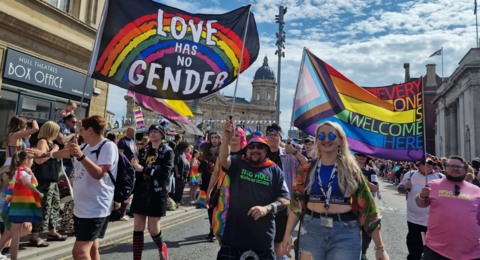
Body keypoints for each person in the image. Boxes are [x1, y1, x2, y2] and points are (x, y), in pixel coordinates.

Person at [282, 121, 389, 260]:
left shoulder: (352, 170)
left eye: (331, 136)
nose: (326, 139)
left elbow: (368, 208)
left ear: (340, 140)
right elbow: (296, 204)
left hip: (346, 233)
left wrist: (380, 247)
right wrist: (287, 233)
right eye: (321, 136)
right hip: (311, 231)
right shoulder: (307, 168)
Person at [216, 119, 290, 260]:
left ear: (266, 150)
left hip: (263, 240)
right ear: (246, 150)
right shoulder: (238, 164)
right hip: (234, 238)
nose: (255, 150)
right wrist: (227, 138)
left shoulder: (274, 170)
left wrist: (267, 209)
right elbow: (224, 159)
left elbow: (285, 200)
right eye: (252, 147)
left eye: (260, 147)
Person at [416, 155, 480, 260]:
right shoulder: (433, 184)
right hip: (437, 249)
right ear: (445, 168)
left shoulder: (476, 190)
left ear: (465, 169)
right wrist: (421, 196)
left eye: (459, 167)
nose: (455, 169)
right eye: (451, 166)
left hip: (471, 251)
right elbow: (420, 204)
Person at [264, 123, 307, 259]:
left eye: (276, 135)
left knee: (279, 241)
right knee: (264, 240)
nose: (273, 137)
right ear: (266, 137)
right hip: (263, 202)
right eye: (270, 135)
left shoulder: (287, 156)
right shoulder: (260, 154)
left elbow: (306, 164)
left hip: (283, 203)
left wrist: (295, 151)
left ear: (280, 138)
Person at [130, 124, 174, 260]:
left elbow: (165, 174)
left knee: (153, 229)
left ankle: (161, 247)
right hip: (141, 191)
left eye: (156, 131)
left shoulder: (167, 151)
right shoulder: (143, 150)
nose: (153, 133)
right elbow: (137, 170)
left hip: (157, 192)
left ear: (162, 135)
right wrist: (134, 164)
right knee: (138, 226)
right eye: (151, 131)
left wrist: (142, 169)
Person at [205, 125, 247, 244]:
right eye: (232, 134)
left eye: (237, 135)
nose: (233, 137)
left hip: (241, 195)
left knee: (240, 228)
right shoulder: (221, 156)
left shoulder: (246, 156)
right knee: (219, 229)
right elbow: (215, 174)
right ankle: (225, 249)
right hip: (223, 195)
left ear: (241, 138)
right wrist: (208, 193)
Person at [397, 155, 444, 260]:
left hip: (434, 220)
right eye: (424, 163)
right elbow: (400, 189)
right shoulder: (410, 174)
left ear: (434, 164)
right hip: (414, 219)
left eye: (430, 163)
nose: (427, 165)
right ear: (418, 164)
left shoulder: (441, 177)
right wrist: (405, 187)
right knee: (414, 249)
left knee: (433, 251)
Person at [30, 121, 67, 246]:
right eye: (56, 131)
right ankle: (35, 236)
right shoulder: (43, 142)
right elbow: (39, 161)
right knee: (43, 208)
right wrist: (53, 151)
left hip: (52, 180)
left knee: (54, 207)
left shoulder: (51, 143)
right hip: (43, 180)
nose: (58, 133)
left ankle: (52, 231)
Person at [355, 152, 379, 260]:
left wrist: (361, 178)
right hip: (351, 204)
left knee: (366, 231)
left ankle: (363, 252)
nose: (361, 157)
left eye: (364, 155)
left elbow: (375, 188)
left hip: (366, 206)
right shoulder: (350, 168)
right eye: (359, 155)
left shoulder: (371, 171)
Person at [198, 131, 221, 241]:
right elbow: (202, 164)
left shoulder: (224, 149)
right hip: (208, 179)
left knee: (220, 205)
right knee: (210, 204)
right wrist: (199, 176)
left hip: (221, 180)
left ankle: (220, 227)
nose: (214, 139)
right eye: (212, 137)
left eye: (216, 137)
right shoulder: (206, 150)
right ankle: (212, 230)